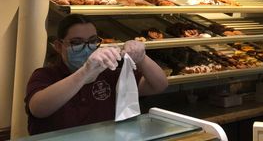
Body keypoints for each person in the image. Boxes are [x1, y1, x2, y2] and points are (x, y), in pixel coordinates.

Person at [25, 14, 168, 135]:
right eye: (77, 42)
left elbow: (159, 85)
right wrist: (85, 72)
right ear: (58, 46)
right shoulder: (45, 75)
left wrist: (141, 57)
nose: (87, 48)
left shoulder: (109, 73)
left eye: (93, 41)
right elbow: (39, 109)